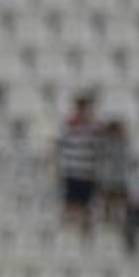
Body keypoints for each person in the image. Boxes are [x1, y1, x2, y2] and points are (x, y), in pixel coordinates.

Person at [57, 95, 100, 235]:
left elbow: (98, 144)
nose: (82, 110)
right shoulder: (69, 124)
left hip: (87, 171)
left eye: (84, 107)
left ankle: (84, 231)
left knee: (86, 204)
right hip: (72, 169)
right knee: (71, 202)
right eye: (80, 107)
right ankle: (68, 233)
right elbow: (61, 144)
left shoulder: (93, 125)